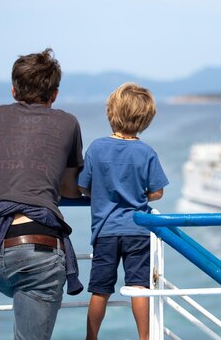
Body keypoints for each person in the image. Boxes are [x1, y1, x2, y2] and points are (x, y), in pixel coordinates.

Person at [0, 48, 85, 340]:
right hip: (36, 252)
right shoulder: (68, 123)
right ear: (54, 94)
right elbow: (68, 189)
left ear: (14, 90)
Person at [78, 82, 169, 340]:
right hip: (137, 230)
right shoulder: (146, 152)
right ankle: (145, 337)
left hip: (106, 231)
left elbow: (83, 187)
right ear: (146, 119)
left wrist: (102, 192)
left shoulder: (96, 148)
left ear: (111, 113)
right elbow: (158, 192)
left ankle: (91, 337)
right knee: (139, 287)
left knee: (100, 290)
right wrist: (140, 193)